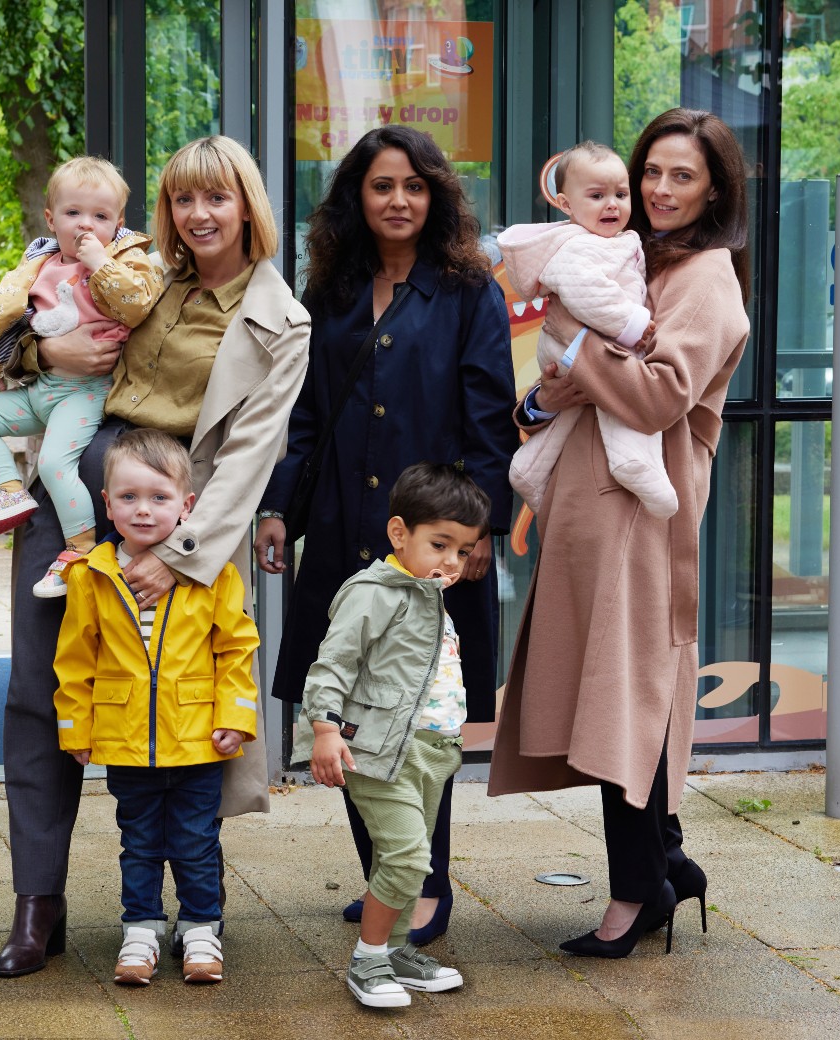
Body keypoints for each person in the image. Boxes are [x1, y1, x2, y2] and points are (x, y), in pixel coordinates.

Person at [0, 135, 310, 979]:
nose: (198, 215)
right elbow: (16, 343)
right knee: (40, 691)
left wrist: (182, 554)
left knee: (176, 704)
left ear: (249, 207)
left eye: (216, 198)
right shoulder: (137, 273)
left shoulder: (283, 321)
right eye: (181, 199)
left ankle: (190, 907)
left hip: (178, 518)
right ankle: (38, 900)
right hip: (75, 491)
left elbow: (250, 456)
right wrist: (46, 352)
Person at [488, 108, 752, 958]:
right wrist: (547, 387)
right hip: (589, 509)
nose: (661, 189)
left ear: (715, 188)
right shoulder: (631, 254)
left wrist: (571, 347)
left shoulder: (706, 274)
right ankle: (666, 863)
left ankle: (640, 890)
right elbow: (541, 399)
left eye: (684, 175)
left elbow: (658, 393)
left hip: (640, 516)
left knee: (626, 699)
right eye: (653, 172)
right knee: (620, 694)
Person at [254, 124, 517, 946]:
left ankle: (423, 882)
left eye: (413, 185)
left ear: (435, 195)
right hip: (340, 533)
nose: (398, 200)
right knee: (352, 711)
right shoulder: (331, 291)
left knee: (418, 718)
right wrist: (277, 508)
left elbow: (490, 422)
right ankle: (386, 875)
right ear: (356, 200)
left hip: (431, 545)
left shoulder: (470, 292)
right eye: (380, 186)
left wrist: (475, 534)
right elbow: (303, 417)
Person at [54, 429, 258, 986]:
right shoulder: (90, 576)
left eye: (159, 498)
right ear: (107, 503)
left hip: (197, 739)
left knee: (196, 842)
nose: (143, 510)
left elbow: (236, 648)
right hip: (124, 739)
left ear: (187, 505)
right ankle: (140, 930)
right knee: (139, 843)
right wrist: (75, 728)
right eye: (128, 497)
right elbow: (75, 660)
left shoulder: (213, 573)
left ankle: (200, 929)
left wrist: (236, 719)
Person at [296, 463, 487, 1007]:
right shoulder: (372, 593)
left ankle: (396, 950)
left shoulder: (427, 591)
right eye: (440, 544)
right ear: (399, 533)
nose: (451, 561)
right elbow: (332, 665)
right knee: (407, 859)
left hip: (432, 754)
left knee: (402, 859)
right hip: (380, 753)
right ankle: (367, 959)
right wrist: (325, 729)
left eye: (463, 551)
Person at [0, 156, 164, 597]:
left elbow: (137, 306)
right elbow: (8, 318)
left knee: (54, 463)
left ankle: (78, 548)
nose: (85, 226)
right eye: (73, 214)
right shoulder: (38, 263)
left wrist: (100, 262)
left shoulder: (126, 260)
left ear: (119, 222)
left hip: (84, 392)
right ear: (51, 220)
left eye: (100, 216)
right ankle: (8, 491)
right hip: (40, 388)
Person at [498, 140, 676, 520]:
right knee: (612, 401)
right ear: (565, 204)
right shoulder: (576, 245)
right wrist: (633, 325)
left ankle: (528, 470)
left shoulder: (614, 240)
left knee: (575, 410)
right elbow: (586, 294)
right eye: (597, 196)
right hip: (576, 344)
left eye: (620, 194)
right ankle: (633, 459)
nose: (612, 204)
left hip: (583, 346)